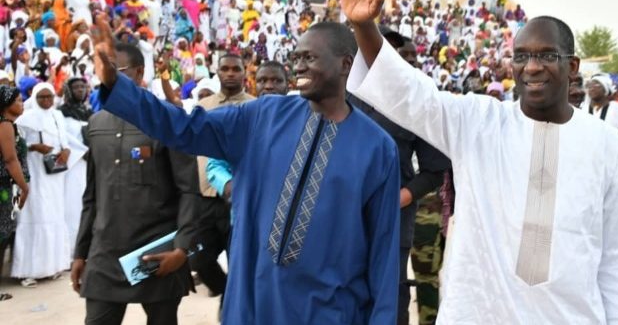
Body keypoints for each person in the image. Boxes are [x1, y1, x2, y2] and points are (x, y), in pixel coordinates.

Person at [338, 0, 618, 324]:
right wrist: (365, 27)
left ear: (572, 67)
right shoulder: (478, 123)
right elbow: (409, 94)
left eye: (546, 56)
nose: (531, 67)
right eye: (521, 56)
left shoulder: (607, 145)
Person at [91, 16, 400, 324]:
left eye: (309, 58)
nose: (299, 67)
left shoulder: (377, 148)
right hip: (254, 306)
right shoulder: (262, 117)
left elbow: (383, 251)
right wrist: (116, 85)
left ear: (345, 64)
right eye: (296, 58)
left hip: (331, 312)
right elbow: (183, 127)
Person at [70, 42, 200, 325]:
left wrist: (182, 248)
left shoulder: (167, 119)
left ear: (139, 72)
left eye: (115, 70)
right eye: (102, 70)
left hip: (157, 253)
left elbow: (189, 190)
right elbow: (91, 197)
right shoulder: (96, 124)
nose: (107, 77)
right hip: (105, 255)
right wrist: (80, 253)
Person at [348, 28, 451, 325]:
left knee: (390, 300)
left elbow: (434, 170)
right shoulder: (340, 94)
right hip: (341, 219)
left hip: (391, 224)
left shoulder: (414, 101)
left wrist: (398, 200)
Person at [191, 53, 254, 304]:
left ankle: (233, 307)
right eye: (225, 68)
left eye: (235, 69)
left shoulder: (255, 106)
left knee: (237, 258)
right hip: (205, 195)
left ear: (244, 73)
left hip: (239, 197)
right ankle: (228, 293)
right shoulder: (203, 107)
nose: (230, 73)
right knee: (197, 258)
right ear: (217, 72)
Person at [12, 83, 74, 287]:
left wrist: (66, 150)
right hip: (34, 173)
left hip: (54, 174)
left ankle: (53, 266)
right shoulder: (25, 119)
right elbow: (14, 145)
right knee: (35, 215)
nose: (47, 101)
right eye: (42, 97)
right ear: (35, 98)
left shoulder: (57, 116)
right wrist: (33, 147)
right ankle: (29, 271)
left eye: (50, 97)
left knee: (54, 215)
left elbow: (64, 141)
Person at [0, 86, 30, 302]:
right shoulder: (5, 125)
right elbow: (11, 160)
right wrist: (24, 187)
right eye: (18, 100)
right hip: (3, 187)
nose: (22, 103)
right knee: (2, 236)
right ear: (6, 104)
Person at [59, 77, 92, 264]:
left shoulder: (88, 112)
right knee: (73, 207)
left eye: (82, 87)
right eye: (76, 87)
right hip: (74, 164)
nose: (80, 90)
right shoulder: (61, 113)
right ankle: (71, 252)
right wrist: (83, 152)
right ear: (69, 91)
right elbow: (64, 138)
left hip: (90, 164)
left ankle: (86, 250)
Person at [583, 73, 618, 140]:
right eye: (590, 86)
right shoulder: (583, 109)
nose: (592, 88)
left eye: (597, 85)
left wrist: (616, 141)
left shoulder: (617, 108)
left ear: (605, 89)